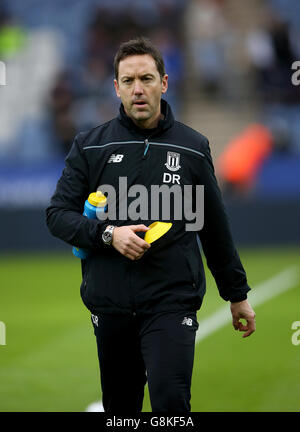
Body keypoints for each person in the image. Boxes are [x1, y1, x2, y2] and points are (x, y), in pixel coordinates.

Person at [46, 37, 256, 413]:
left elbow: (214, 227)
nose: (138, 89)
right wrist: (109, 235)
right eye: (128, 81)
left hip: (171, 301)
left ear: (164, 82)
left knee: (171, 403)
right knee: (121, 410)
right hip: (110, 305)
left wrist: (236, 294)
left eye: (146, 78)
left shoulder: (193, 146)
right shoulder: (89, 146)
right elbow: (58, 215)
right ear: (116, 88)